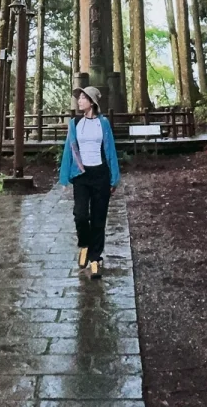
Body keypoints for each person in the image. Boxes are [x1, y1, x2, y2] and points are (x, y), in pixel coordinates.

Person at [58, 85, 120, 279]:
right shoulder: (74, 123)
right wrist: (65, 175)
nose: (79, 101)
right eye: (79, 98)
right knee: (81, 215)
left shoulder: (104, 123)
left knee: (99, 219)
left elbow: (110, 151)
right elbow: (69, 150)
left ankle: (95, 259)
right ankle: (84, 244)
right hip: (82, 176)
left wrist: (114, 178)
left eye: (83, 98)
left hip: (100, 174)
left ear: (92, 102)